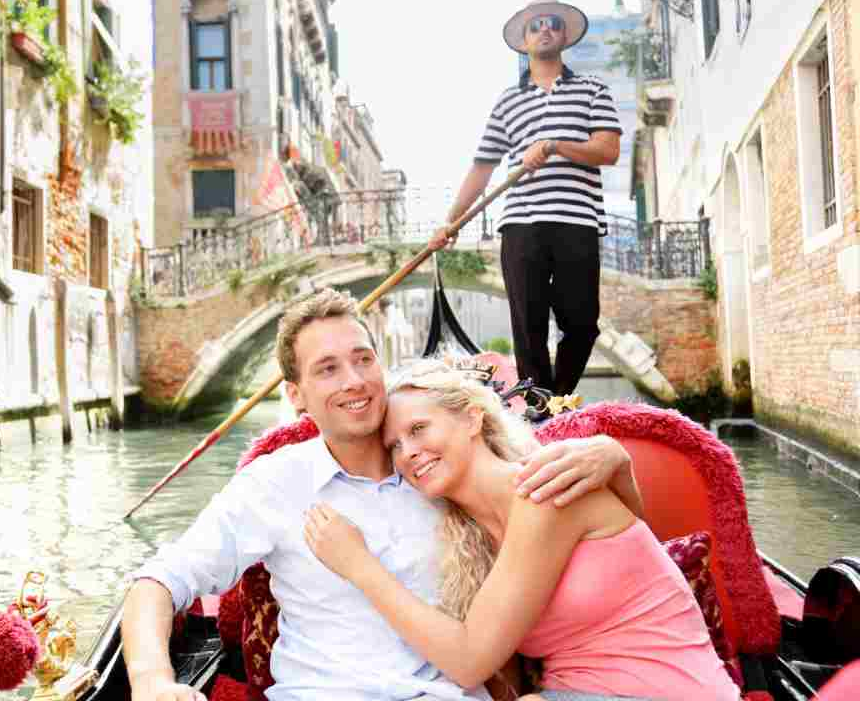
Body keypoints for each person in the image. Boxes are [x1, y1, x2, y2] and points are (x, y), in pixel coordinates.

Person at [122, 288, 645, 701]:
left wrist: (614, 459)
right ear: (296, 396)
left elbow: (594, 535)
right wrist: (150, 679)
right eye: (327, 369)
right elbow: (159, 581)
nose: (354, 381)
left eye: (363, 359)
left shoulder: (442, 467)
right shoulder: (273, 484)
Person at [303, 359, 741, 701]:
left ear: (473, 419)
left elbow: (469, 660)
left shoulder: (543, 490)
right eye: (394, 446)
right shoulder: (469, 538)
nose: (409, 453)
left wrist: (359, 567)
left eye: (418, 429)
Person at [429, 0, 622, 397]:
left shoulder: (593, 91)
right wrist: (451, 222)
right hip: (521, 224)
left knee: (582, 323)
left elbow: (607, 149)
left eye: (552, 23)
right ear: (524, 40)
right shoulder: (507, 101)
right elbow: (482, 169)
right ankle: (539, 404)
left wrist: (554, 145)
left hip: (577, 221)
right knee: (527, 322)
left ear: (564, 35)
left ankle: (560, 399)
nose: (545, 29)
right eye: (535, 26)